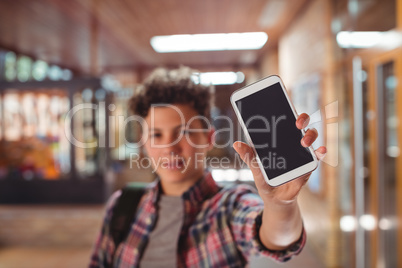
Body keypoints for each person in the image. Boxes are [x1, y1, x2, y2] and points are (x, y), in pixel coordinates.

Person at [89, 67, 327, 268]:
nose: (169, 148)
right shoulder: (122, 206)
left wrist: (280, 205)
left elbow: (276, 237)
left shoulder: (231, 206)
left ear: (209, 138)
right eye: (156, 135)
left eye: (184, 133)